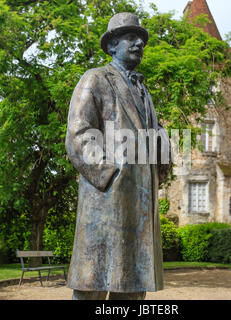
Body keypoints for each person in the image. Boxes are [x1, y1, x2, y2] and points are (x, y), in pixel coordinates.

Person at [65, 12, 172, 300]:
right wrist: (111, 173)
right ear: (112, 45)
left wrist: (162, 159)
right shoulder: (95, 79)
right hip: (106, 199)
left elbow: (154, 133)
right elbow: (79, 133)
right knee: (94, 283)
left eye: (141, 39)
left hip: (140, 202)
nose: (139, 43)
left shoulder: (143, 90)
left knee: (133, 285)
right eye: (130, 37)